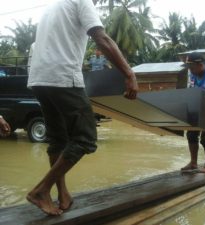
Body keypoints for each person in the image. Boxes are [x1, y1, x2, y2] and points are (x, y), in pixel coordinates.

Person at [27, 0, 138, 216]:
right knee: (85, 138)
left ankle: (63, 194)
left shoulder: (52, 6)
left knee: (58, 140)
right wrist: (129, 73)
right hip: (63, 77)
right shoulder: (81, 1)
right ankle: (41, 190)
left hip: (39, 79)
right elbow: (101, 38)